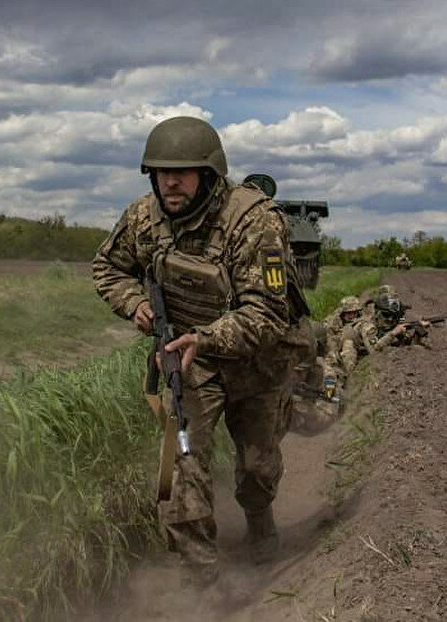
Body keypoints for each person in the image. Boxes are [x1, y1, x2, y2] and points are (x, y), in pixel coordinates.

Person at [92, 115, 307, 588]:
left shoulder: (254, 220)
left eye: (183, 171)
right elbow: (108, 267)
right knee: (183, 462)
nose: (170, 180)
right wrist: (135, 306)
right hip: (190, 362)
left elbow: (267, 315)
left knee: (256, 468)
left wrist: (204, 337)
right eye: (161, 171)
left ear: (208, 174)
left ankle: (258, 517)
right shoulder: (142, 218)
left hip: (258, 359)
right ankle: (199, 583)